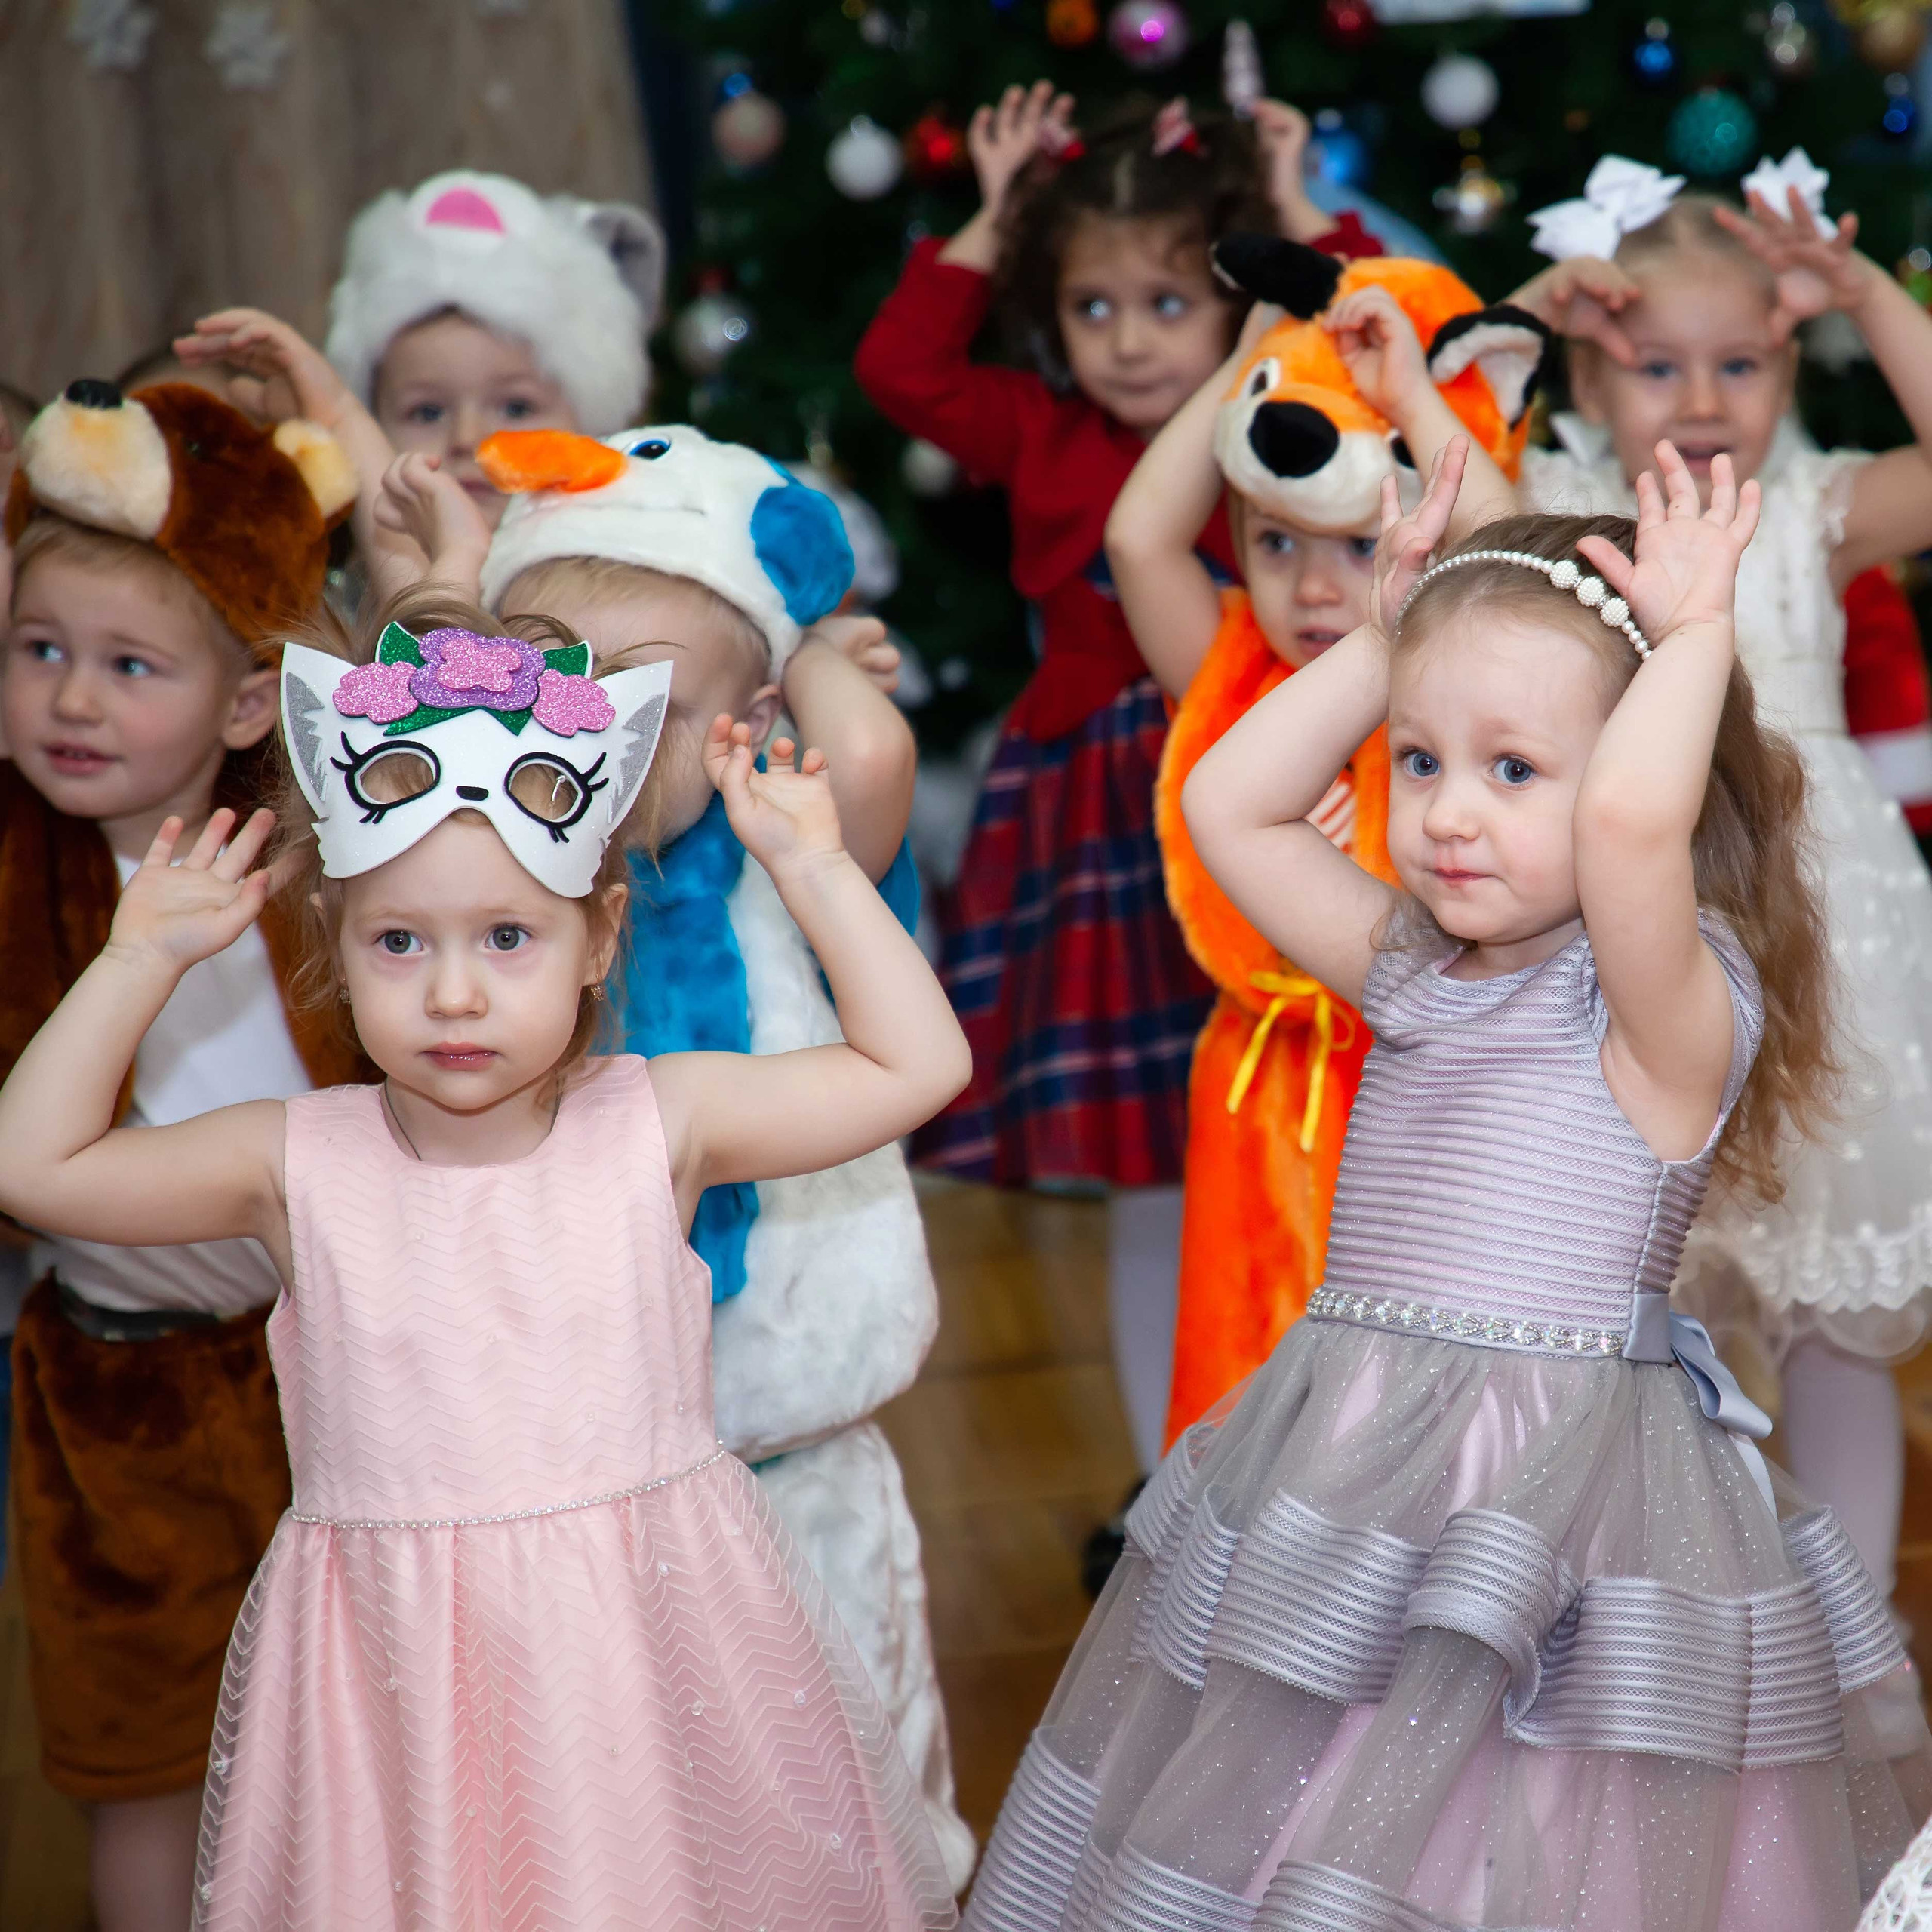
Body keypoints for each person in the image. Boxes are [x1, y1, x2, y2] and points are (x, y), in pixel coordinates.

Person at [963, 436, 1932, 1931]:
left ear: (1640, 776)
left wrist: (1690, 639)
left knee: (1529, 1814)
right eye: (1419, 760)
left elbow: (1625, 832)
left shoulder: (1669, 1012)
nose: (1446, 811)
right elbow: (1226, 805)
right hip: (1352, 1449)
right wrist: (1380, 634)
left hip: (1558, 1483)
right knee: (1320, 1770)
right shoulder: (1419, 973)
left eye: (1510, 767)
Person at [0, 587, 967, 1929]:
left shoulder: (663, 1120)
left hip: (642, 1655)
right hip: (397, 1679)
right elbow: (32, 1165)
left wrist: (815, 868)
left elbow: (920, 1066)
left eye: (507, 938)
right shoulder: (294, 1161)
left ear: (598, 938)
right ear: (336, 944)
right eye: (401, 941)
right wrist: (135, 960)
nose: (454, 994)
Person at [469, 420, 977, 1886]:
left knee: (845, 1826)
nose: (599, 734)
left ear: (743, 722)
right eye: (558, 682)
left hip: (786, 1458)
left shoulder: (782, 848)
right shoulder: (481, 905)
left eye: (650, 699)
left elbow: (869, 741)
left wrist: (792, 635)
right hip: (580, 1486)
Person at [854, 80, 1381, 1493]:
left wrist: (1290, 221)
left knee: (1290, 1148)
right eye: (1097, 310)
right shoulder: (1040, 432)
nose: (1134, 343)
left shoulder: (1268, 423)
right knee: (1162, 1170)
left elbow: (1374, 331)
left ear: (1231, 312)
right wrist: (989, 215)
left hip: (1280, 788)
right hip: (1099, 814)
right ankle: (1177, 1484)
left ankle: (1329, 1471)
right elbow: (903, 374)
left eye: (1170, 304)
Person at [1510, 156, 1932, 1617]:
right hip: (1631, 943)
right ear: (1581, 367)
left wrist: (1866, 290)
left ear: (1788, 362)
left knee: (1826, 1321)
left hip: (1829, 952)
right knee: (1640, 1311)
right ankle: (1655, 1623)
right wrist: (1520, 304)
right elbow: (1393, 440)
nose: (1698, 398)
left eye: (1740, 361)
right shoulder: (1551, 501)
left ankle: (1849, 1633)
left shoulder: (1812, 510)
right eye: (1652, 364)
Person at [0, 379, 362, 1932]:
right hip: (114, 1381)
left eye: (128, 664)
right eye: (39, 652)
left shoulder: (315, 837)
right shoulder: (20, 854)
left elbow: (406, 669)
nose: (72, 700)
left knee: (357, 1729)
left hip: (332, 1370)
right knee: (144, 1754)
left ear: (239, 700)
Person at [1107, 237, 1543, 1458]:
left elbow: (1519, 569)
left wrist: (1411, 400)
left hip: (1414, 1093)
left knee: (1416, 1418)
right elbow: (1142, 537)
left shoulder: (1450, 676)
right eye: (1274, 542)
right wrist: (1253, 356)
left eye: (1357, 548)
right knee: (1253, 1392)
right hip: (1255, 1092)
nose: (1309, 588)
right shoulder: (1233, 665)